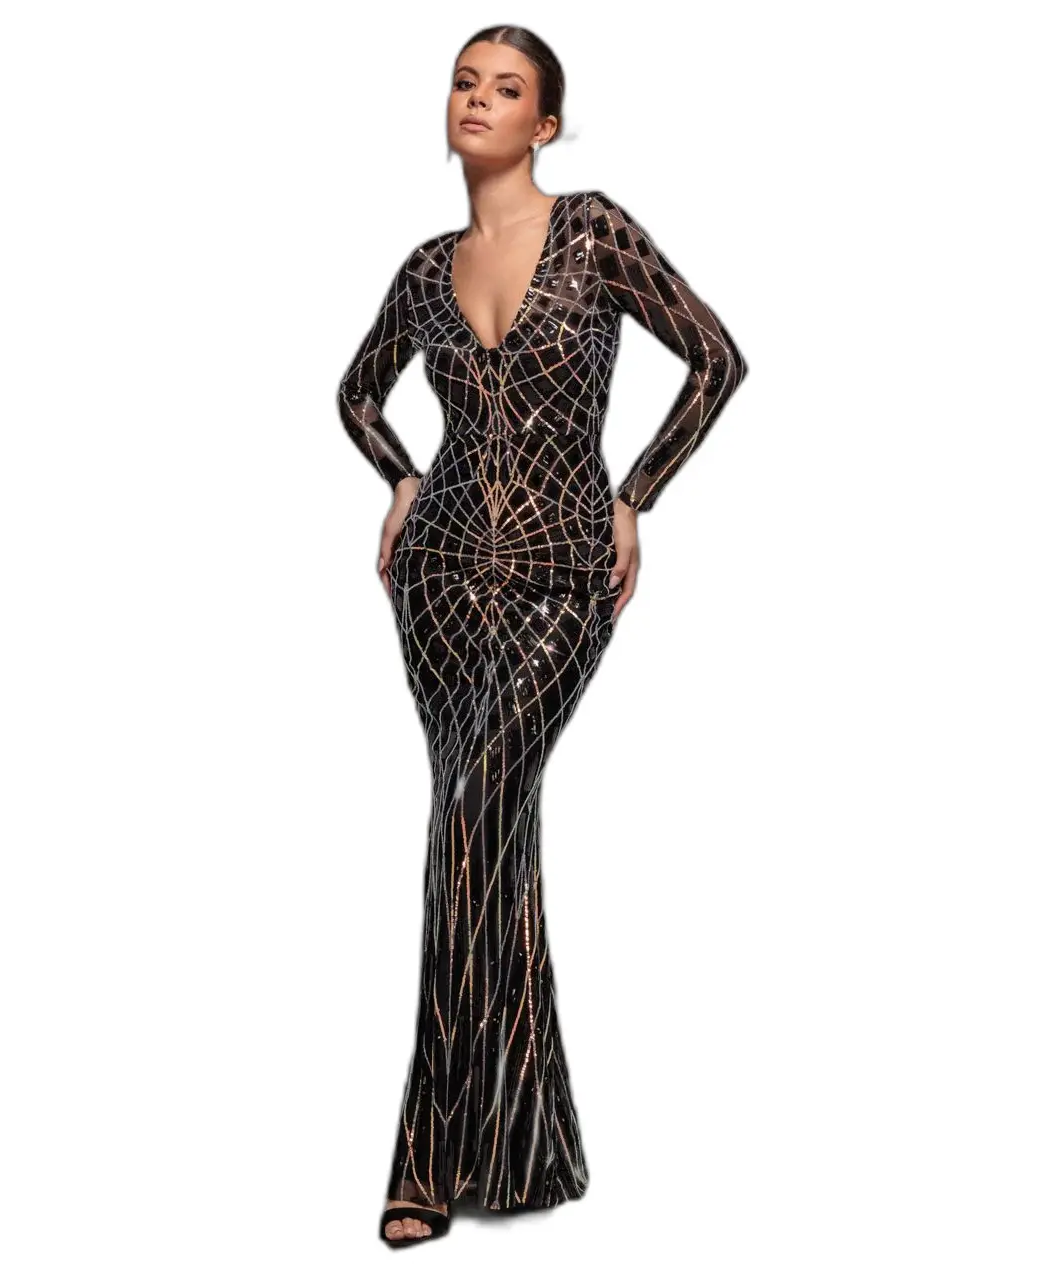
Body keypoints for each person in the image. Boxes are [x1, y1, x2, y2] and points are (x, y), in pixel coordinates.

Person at [336, 25, 749, 1247]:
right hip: (437, 580)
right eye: (464, 82)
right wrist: (401, 477)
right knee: (490, 836)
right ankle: (524, 1147)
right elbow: (356, 392)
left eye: (506, 89)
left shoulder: (595, 231)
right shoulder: (426, 269)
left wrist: (635, 496)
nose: (477, 100)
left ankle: (425, 1158)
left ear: (546, 125)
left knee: (469, 812)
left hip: (565, 572)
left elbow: (716, 361)